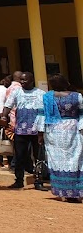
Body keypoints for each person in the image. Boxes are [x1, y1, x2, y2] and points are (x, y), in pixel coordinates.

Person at [40, 74, 83, 202]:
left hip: (53, 132)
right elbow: (82, 114)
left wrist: (40, 134)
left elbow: (42, 116)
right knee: (75, 160)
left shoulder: (47, 97)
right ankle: (75, 192)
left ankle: (62, 190)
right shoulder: (77, 96)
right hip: (72, 130)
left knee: (56, 161)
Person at [1, 71, 46, 190]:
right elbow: (8, 105)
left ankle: (38, 181)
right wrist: (4, 117)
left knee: (38, 157)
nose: (22, 82)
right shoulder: (16, 92)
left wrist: (42, 131)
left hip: (36, 131)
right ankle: (19, 180)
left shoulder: (41, 94)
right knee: (20, 155)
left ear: (32, 81)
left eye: (24, 80)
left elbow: (43, 113)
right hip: (20, 130)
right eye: (21, 80)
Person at [0, 74, 13, 168]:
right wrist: (3, 117)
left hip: (2, 114)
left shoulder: (4, 89)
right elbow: (1, 104)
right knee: (2, 137)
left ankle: (6, 158)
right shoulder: (2, 90)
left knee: (5, 137)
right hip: (0, 114)